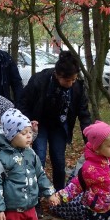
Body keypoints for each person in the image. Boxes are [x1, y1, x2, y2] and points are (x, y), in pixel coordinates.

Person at [19, 51, 93, 193]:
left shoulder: (77, 88)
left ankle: (60, 194)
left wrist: (90, 141)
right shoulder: (40, 80)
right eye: (68, 80)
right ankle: (35, 196)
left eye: (74, 79)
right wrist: (28, 123)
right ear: (58, 75)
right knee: (39, 158)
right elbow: (23, 102)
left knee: (59, 161)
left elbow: (84, 114)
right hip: (39, 124)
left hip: (59, 126)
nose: (71, 83)